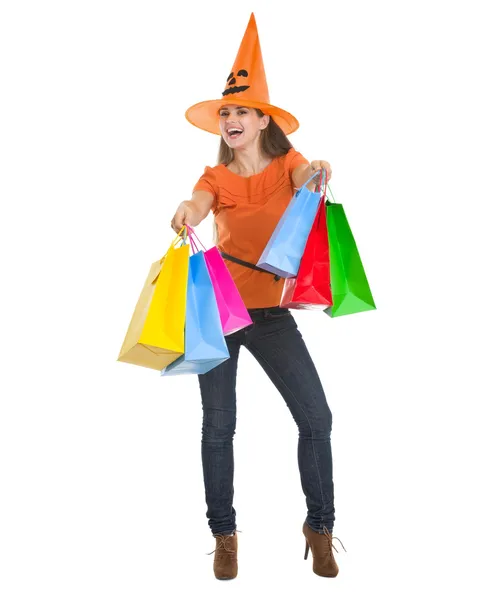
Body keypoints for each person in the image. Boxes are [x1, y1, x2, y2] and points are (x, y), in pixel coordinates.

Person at [171, 13, 345, 580]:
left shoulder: (287, 165)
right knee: (217, 427)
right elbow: (198, 203)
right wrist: (186, 212)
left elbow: (304, 179)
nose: (230, 119)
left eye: (241, 110)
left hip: (270, 315)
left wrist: (317, 170)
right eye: (225, 112)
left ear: (262, 118)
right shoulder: (215, 178)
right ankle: (224, 535)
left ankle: (320, 526)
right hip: (220, 315)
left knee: (316, 417)